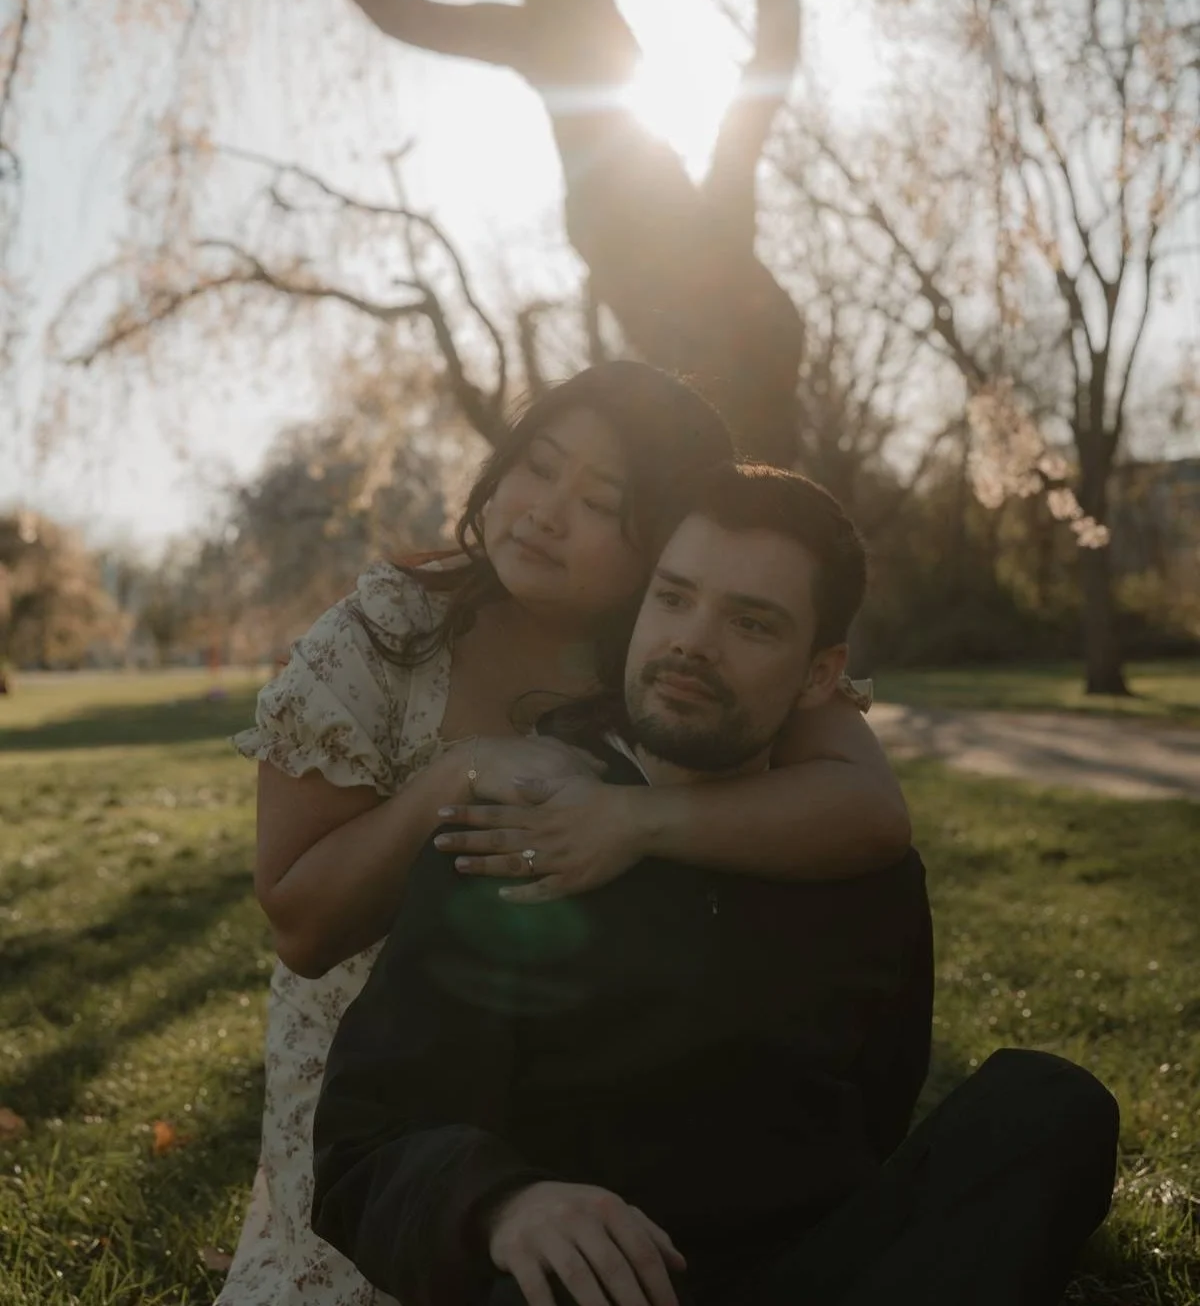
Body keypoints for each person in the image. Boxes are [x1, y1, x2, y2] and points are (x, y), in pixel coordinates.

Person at [311, 464, 1120, 1306]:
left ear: (819, 675)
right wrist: (507, 1204)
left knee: (1050, 1105)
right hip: (616, 1283)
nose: (694, 641)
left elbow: (879, 1110)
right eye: (673, 597)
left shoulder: (856, 870)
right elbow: (364, 1144)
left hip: (825, 1269)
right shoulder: (510, 836)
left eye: (752, 622)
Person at [221, 364, 911, 1306]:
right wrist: (447, 783)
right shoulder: (388, 630)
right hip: (378, 1094)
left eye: (600, 501)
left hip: (573, 1065)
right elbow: (300, 927)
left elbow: (869, 814)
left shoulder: (684, 641)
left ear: (665, 534)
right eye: (536, 467)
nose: (544, 512)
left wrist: (633, 818)